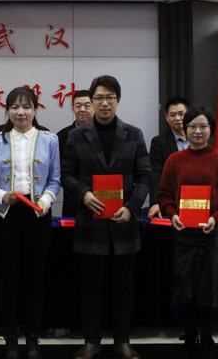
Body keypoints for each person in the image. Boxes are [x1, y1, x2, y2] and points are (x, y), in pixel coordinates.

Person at [61, 75, 151, 359]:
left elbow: (145, 176)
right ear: (91, 101)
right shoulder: (77, 136)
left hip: (124, 223)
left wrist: (132, 207)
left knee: (124, 286)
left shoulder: (134, 134)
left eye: (109, 98)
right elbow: (66, 175)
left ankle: (122, 340)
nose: (104, 103)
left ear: (118, 100)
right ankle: (92, 341)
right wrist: (83, 194)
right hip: (91, 222)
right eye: (98, 98)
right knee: (91, 286)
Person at [0, 87, 61, 359]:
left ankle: (33, 337)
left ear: (35, 110)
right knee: (8, 278)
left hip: (38, 215)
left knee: (35, 278)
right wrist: (1, 195)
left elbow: (55, 179)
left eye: (26, 107)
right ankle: (11, 338)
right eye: (14, 107)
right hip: (7, 215)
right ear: (7, 111)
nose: (21, 112)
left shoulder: (50, 140)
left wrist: (46, 200)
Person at [158, 107, 218, 359]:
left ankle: (207, 336)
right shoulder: (174, 160)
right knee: (184, 287)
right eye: (192, 126)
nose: (197, 131)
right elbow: (164, 195)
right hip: (183, 233)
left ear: (211, 130)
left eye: (203, 126)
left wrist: (215, 218)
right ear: (185, 129)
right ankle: (188, 334)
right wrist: (172, 214)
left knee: (210, 287)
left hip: (212, 233)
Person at [148, 97, 190, 218]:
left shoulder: (199, 139)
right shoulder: (159, 142)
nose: (177, 118)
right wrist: (155, 202)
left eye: (181, 114)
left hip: (196, 198)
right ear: (167, 118)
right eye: (173, 115)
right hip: (170, 200)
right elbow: (155, 174)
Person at [57, 90, 93, 217]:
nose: (82, 109)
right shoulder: (62, 136)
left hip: (100, 197)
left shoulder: (103, 133)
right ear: (73, 108)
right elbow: (59, 171)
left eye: (87, 105)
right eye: (78, 105)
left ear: (94, 106)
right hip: (72, 199)